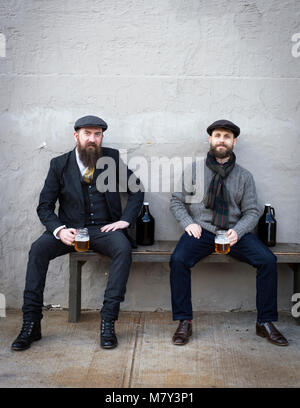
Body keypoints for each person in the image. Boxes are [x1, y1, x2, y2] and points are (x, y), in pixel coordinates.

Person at [11, 115, 144, 351]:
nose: (92, 139)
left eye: (97, 134)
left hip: (104, 229)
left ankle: (108, 322)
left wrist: (125, 220)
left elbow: (137, 190)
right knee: (38, 250)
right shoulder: (59, 164)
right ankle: (31, 324)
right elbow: (44, 206)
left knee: (123, 249)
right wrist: (59, 230)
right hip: (70, 230)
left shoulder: (111, 158)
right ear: (76, 136)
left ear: (102, 137)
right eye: (87, 133)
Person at [169, 119, 288, 347]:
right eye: (217, 135)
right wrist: (187, 223)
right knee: (178, 260)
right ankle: (185, 321)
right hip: (202, 231)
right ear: (210, 139)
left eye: (226, 136)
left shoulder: (244, 176)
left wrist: (238, 231)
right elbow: (176, 201)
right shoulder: (193, 170)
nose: (221, 140)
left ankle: (265, 322)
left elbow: (252, 211)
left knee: (267, 260)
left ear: (234, 141)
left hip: (234, 233)